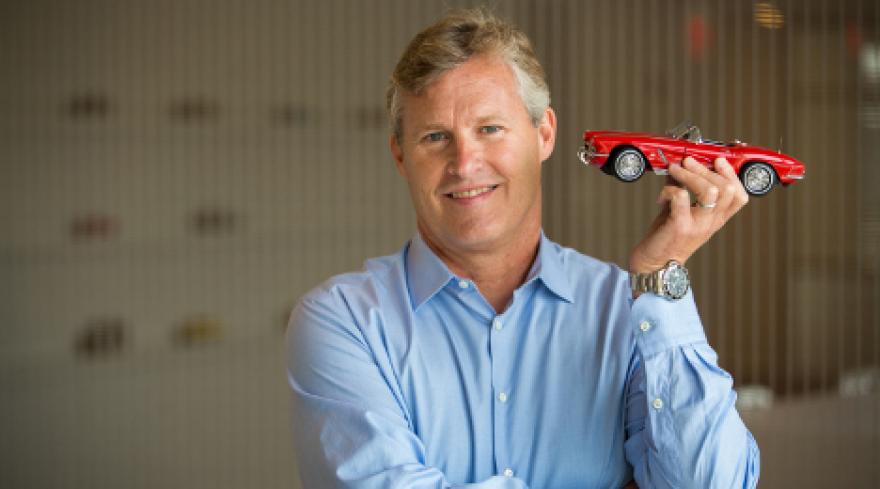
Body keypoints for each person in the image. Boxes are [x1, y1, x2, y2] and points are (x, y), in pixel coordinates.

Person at [286, 7, 759, 489]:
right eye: (435, 137)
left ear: (544, 134)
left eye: (489, 129)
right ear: (401, 156)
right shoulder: (344, 322)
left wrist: (660, 273)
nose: (464, 163)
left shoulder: (629, 310)